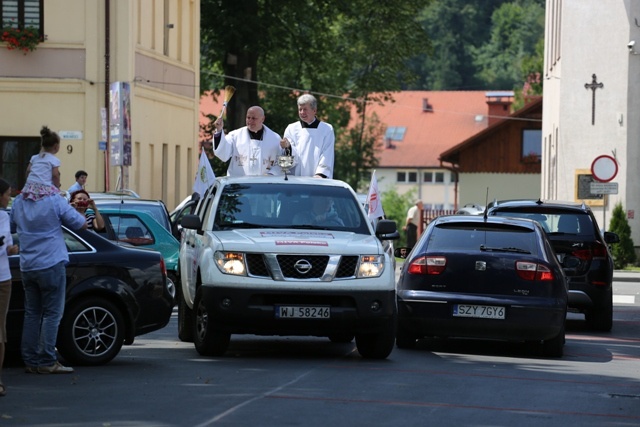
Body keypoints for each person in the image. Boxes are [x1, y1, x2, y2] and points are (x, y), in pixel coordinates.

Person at [10, 184, 88, 374]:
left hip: (28, 265)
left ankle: (30, 360)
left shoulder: (20, 201)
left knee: (32, 314)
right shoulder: (54, 200)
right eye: (57, 176)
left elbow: (12, 227)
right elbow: (81, 224)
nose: (59, 182)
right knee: (52, 314)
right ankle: (46, 360)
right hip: (50, 263)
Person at [212, 106, 283, 176]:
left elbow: (279, 164)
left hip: (264, 183)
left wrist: (271, 174)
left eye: (254, 118)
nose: (250, 121)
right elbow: (223, 153)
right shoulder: (235, 136)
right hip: (239, 183)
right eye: (248, 117)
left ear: (262, 119)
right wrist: (219, 130)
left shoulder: (275, 138)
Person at [280, 94, 335, 178]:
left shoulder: (326, 129)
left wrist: (320, 174)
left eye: (305, 109)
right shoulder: (291, 128)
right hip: (294, 179)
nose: (302, 112)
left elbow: (327, 154)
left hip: (317, 179)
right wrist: (288, 147)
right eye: (300, 109)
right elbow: (285, 162)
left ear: (314, 110)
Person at [0, 179, 18, 396]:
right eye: (7, 194)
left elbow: (4, 243)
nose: (9, 198)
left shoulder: (4, 216)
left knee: (0, 331)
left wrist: (11, 249)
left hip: (3, 279)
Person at [21, 126, 61, 201]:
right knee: (57, 197)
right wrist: (57, 186)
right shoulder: (54, 160)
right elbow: (55, 175)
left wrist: (29, 182)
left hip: (30, 187)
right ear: (56, 146)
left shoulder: (34, 157)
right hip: (44, 187)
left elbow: (28, 171)